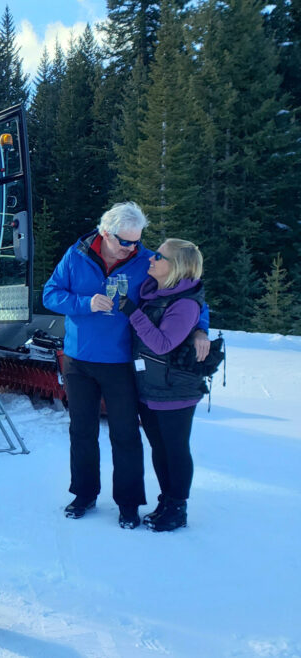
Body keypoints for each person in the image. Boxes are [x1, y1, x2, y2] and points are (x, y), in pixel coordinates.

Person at [43, 202, 210, 529]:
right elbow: (50, 294)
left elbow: (187, 290)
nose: (132, 248)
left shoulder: (145, 261)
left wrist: (201, 327)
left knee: (125, 435)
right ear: (105, 233)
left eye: (137, 241)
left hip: (121, 362)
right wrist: (84, 303)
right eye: (125, 242)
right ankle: (84, 493)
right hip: (78, 359)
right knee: (81, 431)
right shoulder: (76, 255)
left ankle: (129, 502)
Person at [119, 239, 206, 532]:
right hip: (152, 386)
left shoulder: (183, 303)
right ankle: (166, 500)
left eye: (159, 256)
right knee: (160, 448)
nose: (151, 259)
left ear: (176, 266)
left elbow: (162, 343)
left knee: (176, 449)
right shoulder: (156, 293)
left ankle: (178, 507)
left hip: (175, 390)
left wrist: (132, 311)